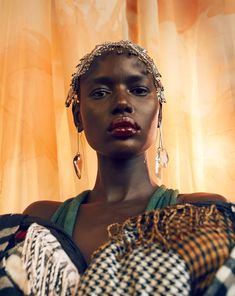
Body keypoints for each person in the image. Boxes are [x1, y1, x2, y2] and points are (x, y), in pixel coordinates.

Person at [1, 41, 234, 295]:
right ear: (78, 116)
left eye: (139, 89)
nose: (122, 102)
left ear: (160, 113)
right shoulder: (41, 221)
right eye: (100, 93)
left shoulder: (201, 214)